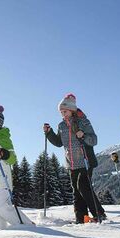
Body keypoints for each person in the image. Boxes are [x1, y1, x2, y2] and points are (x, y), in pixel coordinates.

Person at [43, 93, 106, 223]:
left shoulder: (83, 122)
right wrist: (49, 133)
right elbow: (59, 143)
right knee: (76, 191)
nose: (63, 114)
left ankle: (99, 214)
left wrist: (83, 136)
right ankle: (81, 218)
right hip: (71, 163)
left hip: (85, 160)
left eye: (65, 111)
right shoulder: (61, 125)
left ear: (72, 110)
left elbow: (94, 140)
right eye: (61, 111)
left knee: (83, 187)